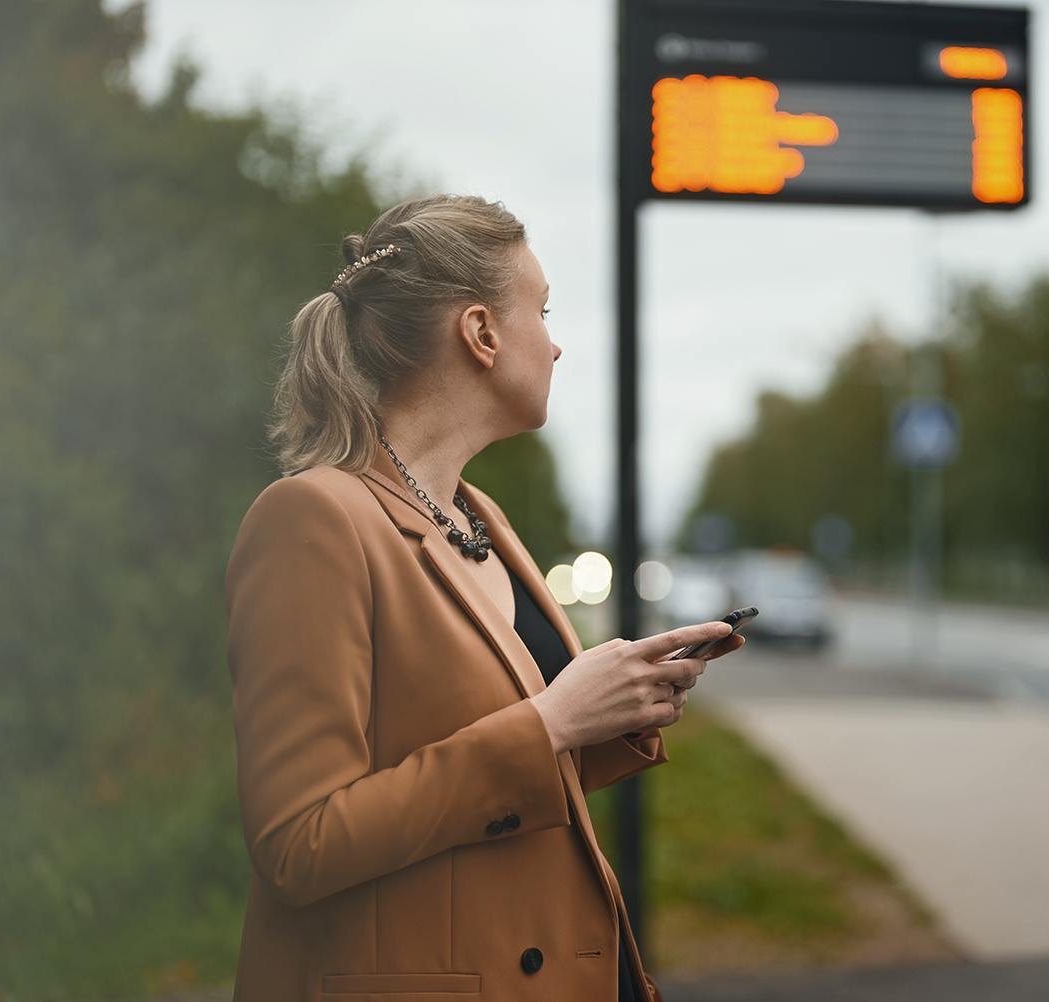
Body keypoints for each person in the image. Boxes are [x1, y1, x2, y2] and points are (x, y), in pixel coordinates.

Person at [224, 194, 742, 1001]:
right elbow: (300, 843)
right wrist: (554, 721)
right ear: (481, 333)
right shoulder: (312, 518)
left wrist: (619, 705)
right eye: (541, 310)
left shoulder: (477, 515)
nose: (558, 344)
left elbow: (496, 770)